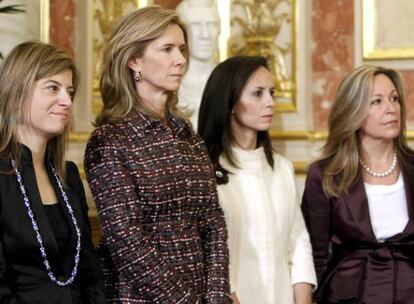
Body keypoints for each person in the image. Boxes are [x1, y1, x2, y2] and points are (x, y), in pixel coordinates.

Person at [84, 6, 231, 303]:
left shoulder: (187, 135)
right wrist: (184, 300)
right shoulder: (111, 140)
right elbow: (127, 241)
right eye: (167, 49)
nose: (180, 60)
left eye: (181, 49)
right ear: (134, 60)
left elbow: (213, 222)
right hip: (139, 297)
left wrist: (215, 296)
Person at [198, 55, 316, 304]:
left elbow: (298, 245)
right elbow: (209, 258)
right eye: (258, 93)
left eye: (272, 92)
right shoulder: (203, 172)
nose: (271, 102)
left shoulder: (282, 169)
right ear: (229, 102)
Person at [0, 41, 105, 303]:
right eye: (52, 88)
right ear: (18, 93)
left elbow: (89, 272)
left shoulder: (68, 176)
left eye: (70, 91)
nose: (67, 101)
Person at [301, 65, 414, 303]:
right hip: (349, 296)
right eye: (377, 102)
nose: (391, 109)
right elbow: (315, 256)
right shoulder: (324, 174)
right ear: (353, 111)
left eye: (394, 99)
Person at [176, 0, 220, 128]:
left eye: (211, 24)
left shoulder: (230, 80)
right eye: (195, 25)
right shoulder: (169, 82)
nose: (205, 35)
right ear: (181, 32)